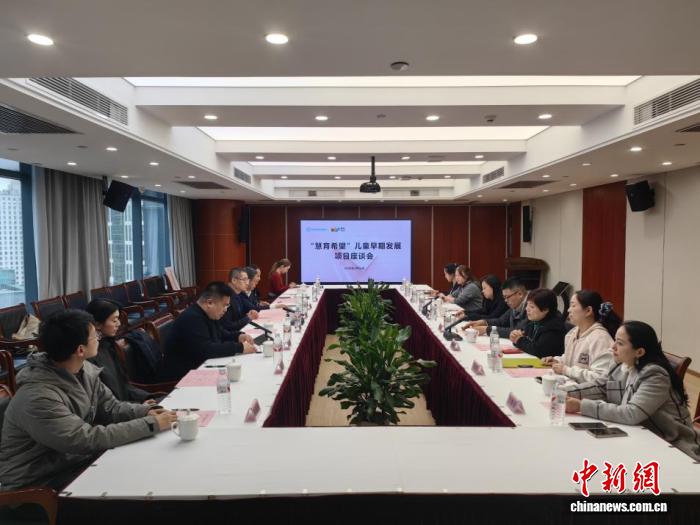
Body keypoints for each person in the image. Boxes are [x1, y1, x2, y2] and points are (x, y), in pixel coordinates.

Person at [0, 310, 176, 491]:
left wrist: (146, 411)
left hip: (72, 463)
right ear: (80, 350)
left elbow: (111, 408)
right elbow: (84, 440)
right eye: (95, 336)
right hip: (38, 485)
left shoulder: (83, 370)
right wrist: (150, 424)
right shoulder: (37, 397)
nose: (99, 338)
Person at [565, 321, 700, 462]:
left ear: (639, 352)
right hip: (641, 437)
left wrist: (581, 406)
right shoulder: (621, 363)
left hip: (673, 445)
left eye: (620, 343)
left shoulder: (654, 375)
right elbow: (600, 387)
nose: (613, 347)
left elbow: (631, 413)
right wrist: (564, 392)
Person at [161, 282, 256, 380]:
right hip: (181, 377)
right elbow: (207, 350)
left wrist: (238, 336)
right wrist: (239, 347)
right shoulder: (192, 318)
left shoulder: (208, 314)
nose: (225, 310)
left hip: (198, 366)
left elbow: (221, 333)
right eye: (224, 305)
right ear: (210, 303)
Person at [542, 290, 619, 383]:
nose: (568, 310)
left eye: (573, 305)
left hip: (587, 391)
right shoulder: (572, 333)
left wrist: (566, 370)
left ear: (588, 311)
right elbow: (571, 359)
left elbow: (600, 378)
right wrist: (557, 360)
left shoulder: (600, 338)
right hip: (570, 386)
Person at [85, 298, 152, 403]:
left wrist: (147, 398)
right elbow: (108, 403)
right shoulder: (91, 356)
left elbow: (124, 385)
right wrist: (141, 407)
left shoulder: (108, 346)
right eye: (114, 320)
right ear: (97, 324)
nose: (119, 324)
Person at [509, 288, 566, 358]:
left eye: (532, 307)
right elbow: (523, 339)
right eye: (527, 305)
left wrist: (519, 340)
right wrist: (515, 336)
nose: (527, 309)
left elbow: (538, 350)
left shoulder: (554, 326)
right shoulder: (534, 320)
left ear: (545, 310)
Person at [463, 276, 528, 337]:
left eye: (507, 297)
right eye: (504, 297)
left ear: (520, 294)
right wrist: (483, 322)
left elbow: (518, 331)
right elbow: (500, 321)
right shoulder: (515, 306)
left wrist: (487, 329)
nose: (505, 301)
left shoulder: (530, 307)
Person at [220, 267, 260, 332]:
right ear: (234, 280)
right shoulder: (226, 296)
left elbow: (239, 316)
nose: (247, 283)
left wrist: (248, 314)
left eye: (247, 280)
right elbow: (228, 326)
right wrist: (248, 318)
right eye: (244, 279)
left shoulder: (238, 294)